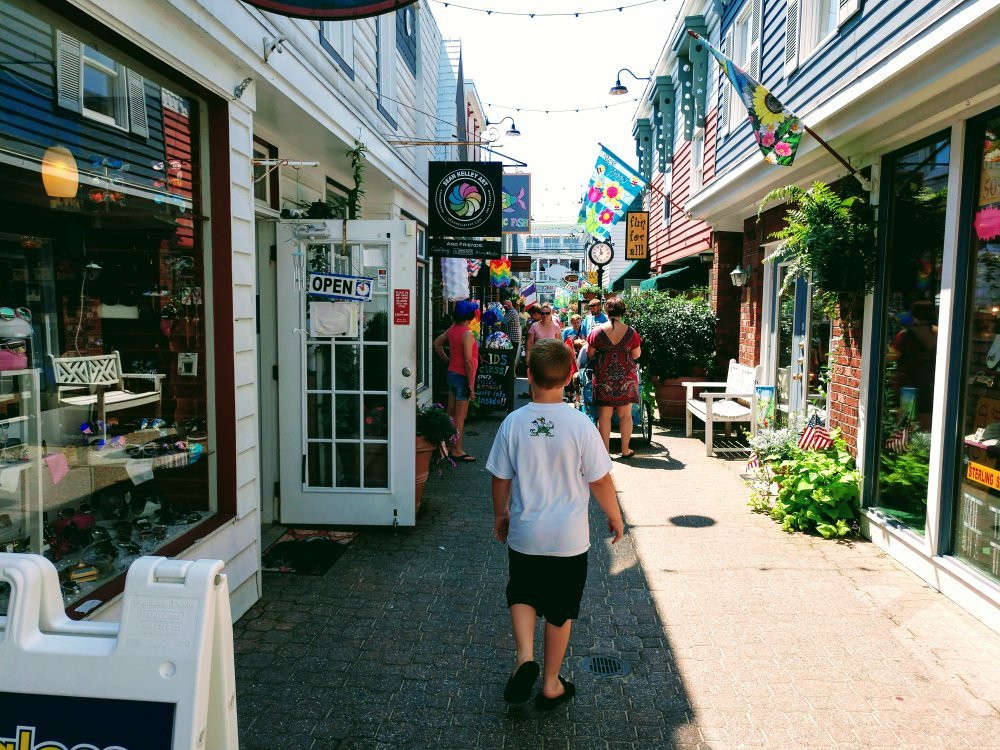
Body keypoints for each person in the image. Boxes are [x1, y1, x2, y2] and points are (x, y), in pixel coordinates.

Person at [487, 338, 624, 708]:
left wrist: (501, 515)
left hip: (526, 532)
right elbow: (599, 480)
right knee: (561, 609)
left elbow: (500, 478)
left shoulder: (513, 423)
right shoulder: (581, 425)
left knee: (522, 593)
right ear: (570, 376)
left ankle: (524, 658)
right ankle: (550, 683)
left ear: (527, 375)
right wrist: (615, 516)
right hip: (568, 538)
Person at [586, 296, 642, 458]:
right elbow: (636, 355)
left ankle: (605, 452)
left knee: (604, 416)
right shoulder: (631, 332)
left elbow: (590, 354)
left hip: (604, 377)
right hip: (626, 378)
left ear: (606, 311)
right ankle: (625, 450)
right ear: (622, 312)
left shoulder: (596, 331)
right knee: (625, 415)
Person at [432, 300, 479, 462]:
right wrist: (471, 385)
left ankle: (448, 446)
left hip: (452, 374)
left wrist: (447, 360)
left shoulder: (452, 330)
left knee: (451, 413)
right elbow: (467, 360)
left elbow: (437, 344)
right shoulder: (467, 333)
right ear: (471, 317)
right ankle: (456, 450)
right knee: (460, 416)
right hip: (462, 377)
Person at [888, 299, 938, 431]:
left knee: (905, 427)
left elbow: (890, 357)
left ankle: (906, 449)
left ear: (913, 315)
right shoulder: (940, 334)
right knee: (927, 426)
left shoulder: (905, 336)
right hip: (930, 386)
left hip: (908, 387)